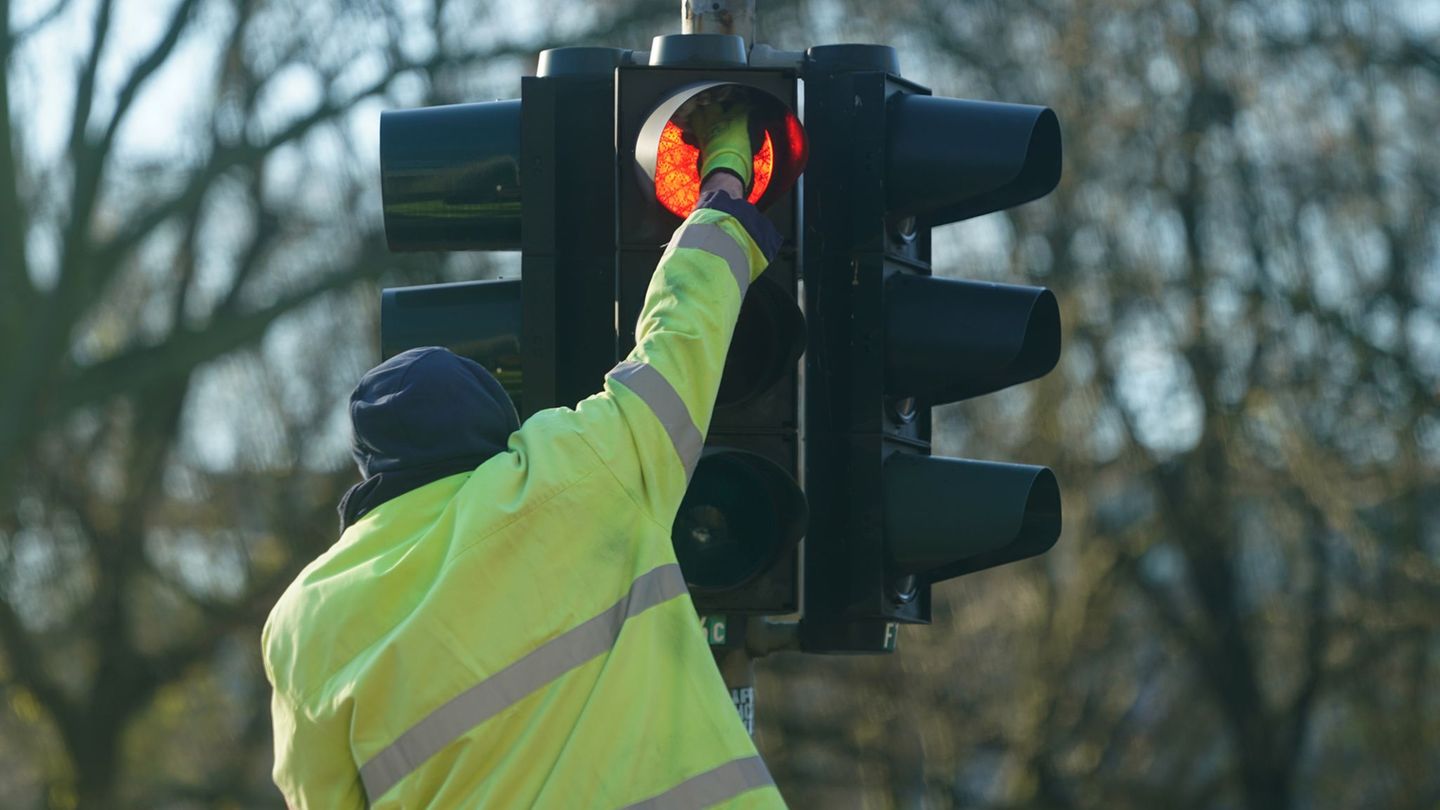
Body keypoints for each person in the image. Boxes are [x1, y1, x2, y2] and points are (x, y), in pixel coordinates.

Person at [262, 92, 788, 808]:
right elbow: (681, 329)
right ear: (496, 434)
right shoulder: (577, 467)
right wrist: (724, 178)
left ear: (373, 474)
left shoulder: (305, 626)